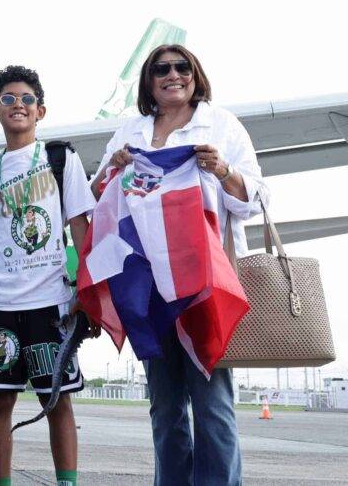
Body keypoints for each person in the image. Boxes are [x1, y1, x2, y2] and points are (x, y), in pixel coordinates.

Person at [90, 44, 266, 486]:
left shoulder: (221, 124)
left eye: (182, 67)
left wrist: (224, 171)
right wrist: (112, 166)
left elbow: (257, 199)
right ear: (149, 81)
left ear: (195, 74)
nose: (173, 75)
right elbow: (97, 195)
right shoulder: (131, 129)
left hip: (202, 285)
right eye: (162, 70)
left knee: (213, 406)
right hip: (146, 287)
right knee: (165, 408)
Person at [0, 65, 97, 486]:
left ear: (41, 111)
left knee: (56, 399)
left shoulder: (61, 158)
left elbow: (80, 224)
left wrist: (86, 289)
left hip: (50, 298)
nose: (17, 105)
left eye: (26, 100)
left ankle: (67, 481)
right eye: (8, 99)